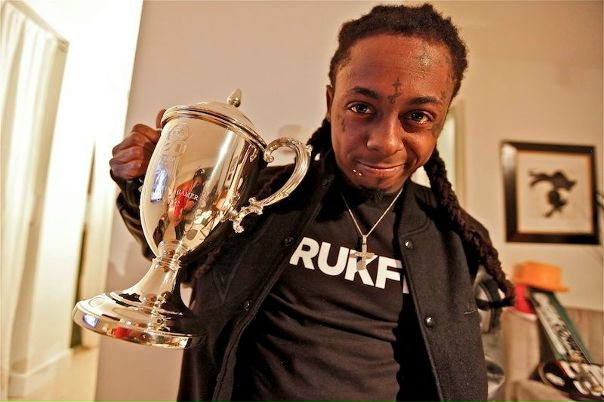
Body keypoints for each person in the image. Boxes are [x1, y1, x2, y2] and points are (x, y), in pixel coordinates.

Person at [109, 3, 514, 401]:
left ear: (440, 121)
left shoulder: (461, 243)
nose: (385, 141)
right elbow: (175, 260)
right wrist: (145, 185)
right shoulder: (256, 193)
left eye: (418, 116)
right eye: (361, 108)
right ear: (330, 103)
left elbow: (483, 374)